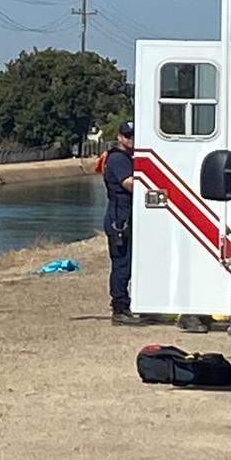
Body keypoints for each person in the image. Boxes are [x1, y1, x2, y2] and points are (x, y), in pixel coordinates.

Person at [103, 121, 142, 326]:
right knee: (122, 264)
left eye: (134, 135)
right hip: (119, 219)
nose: (131, 139)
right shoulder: (118, 159)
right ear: (119, 137)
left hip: (123, 216)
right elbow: (129, 183)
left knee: (126, 262)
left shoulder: (127, 157)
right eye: (127, 135)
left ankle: (125, 304)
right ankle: (119, 308)